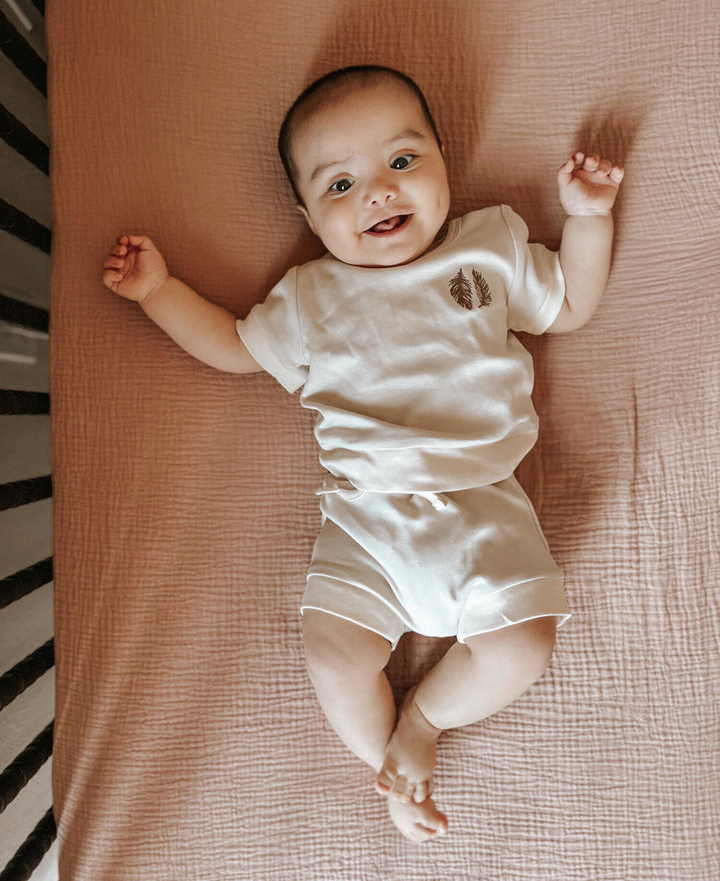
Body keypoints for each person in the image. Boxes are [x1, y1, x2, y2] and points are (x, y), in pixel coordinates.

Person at [102, 65, 624, 843]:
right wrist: (159, 292)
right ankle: (386, 766)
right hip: (366, 516)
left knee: (524, 644)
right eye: (340, 186)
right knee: (334, 655)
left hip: (483, 502)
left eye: (403, 163)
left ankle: (425, 718)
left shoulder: (488, 248)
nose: (378, 192)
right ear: (308, 214)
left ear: (446, 163)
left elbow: (572, 305)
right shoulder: (309, 297)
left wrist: (587, 220)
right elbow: (235, 348)